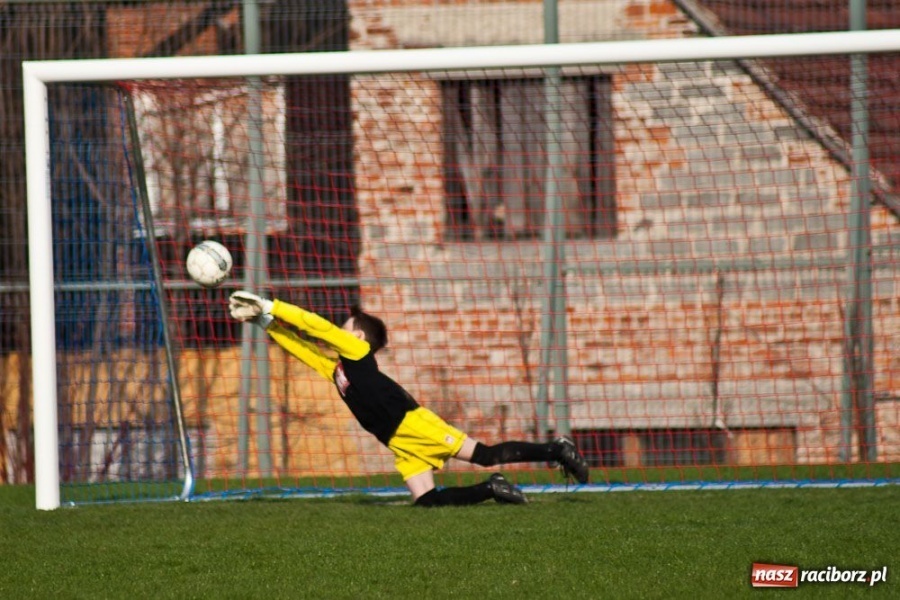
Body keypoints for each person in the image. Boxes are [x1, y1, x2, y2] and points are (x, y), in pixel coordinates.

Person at [228, 291, 589, 507]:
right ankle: (492, 489)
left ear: (359, 337)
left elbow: (315, 326)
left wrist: (269, 303)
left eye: (347, 325)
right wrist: (266, 323)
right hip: (396, 439)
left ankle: (556, 449)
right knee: (426, 501)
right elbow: (305, 349)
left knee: (485, 454)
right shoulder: (337, 368)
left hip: (412, 423)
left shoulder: (355, 351)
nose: (340, 328)